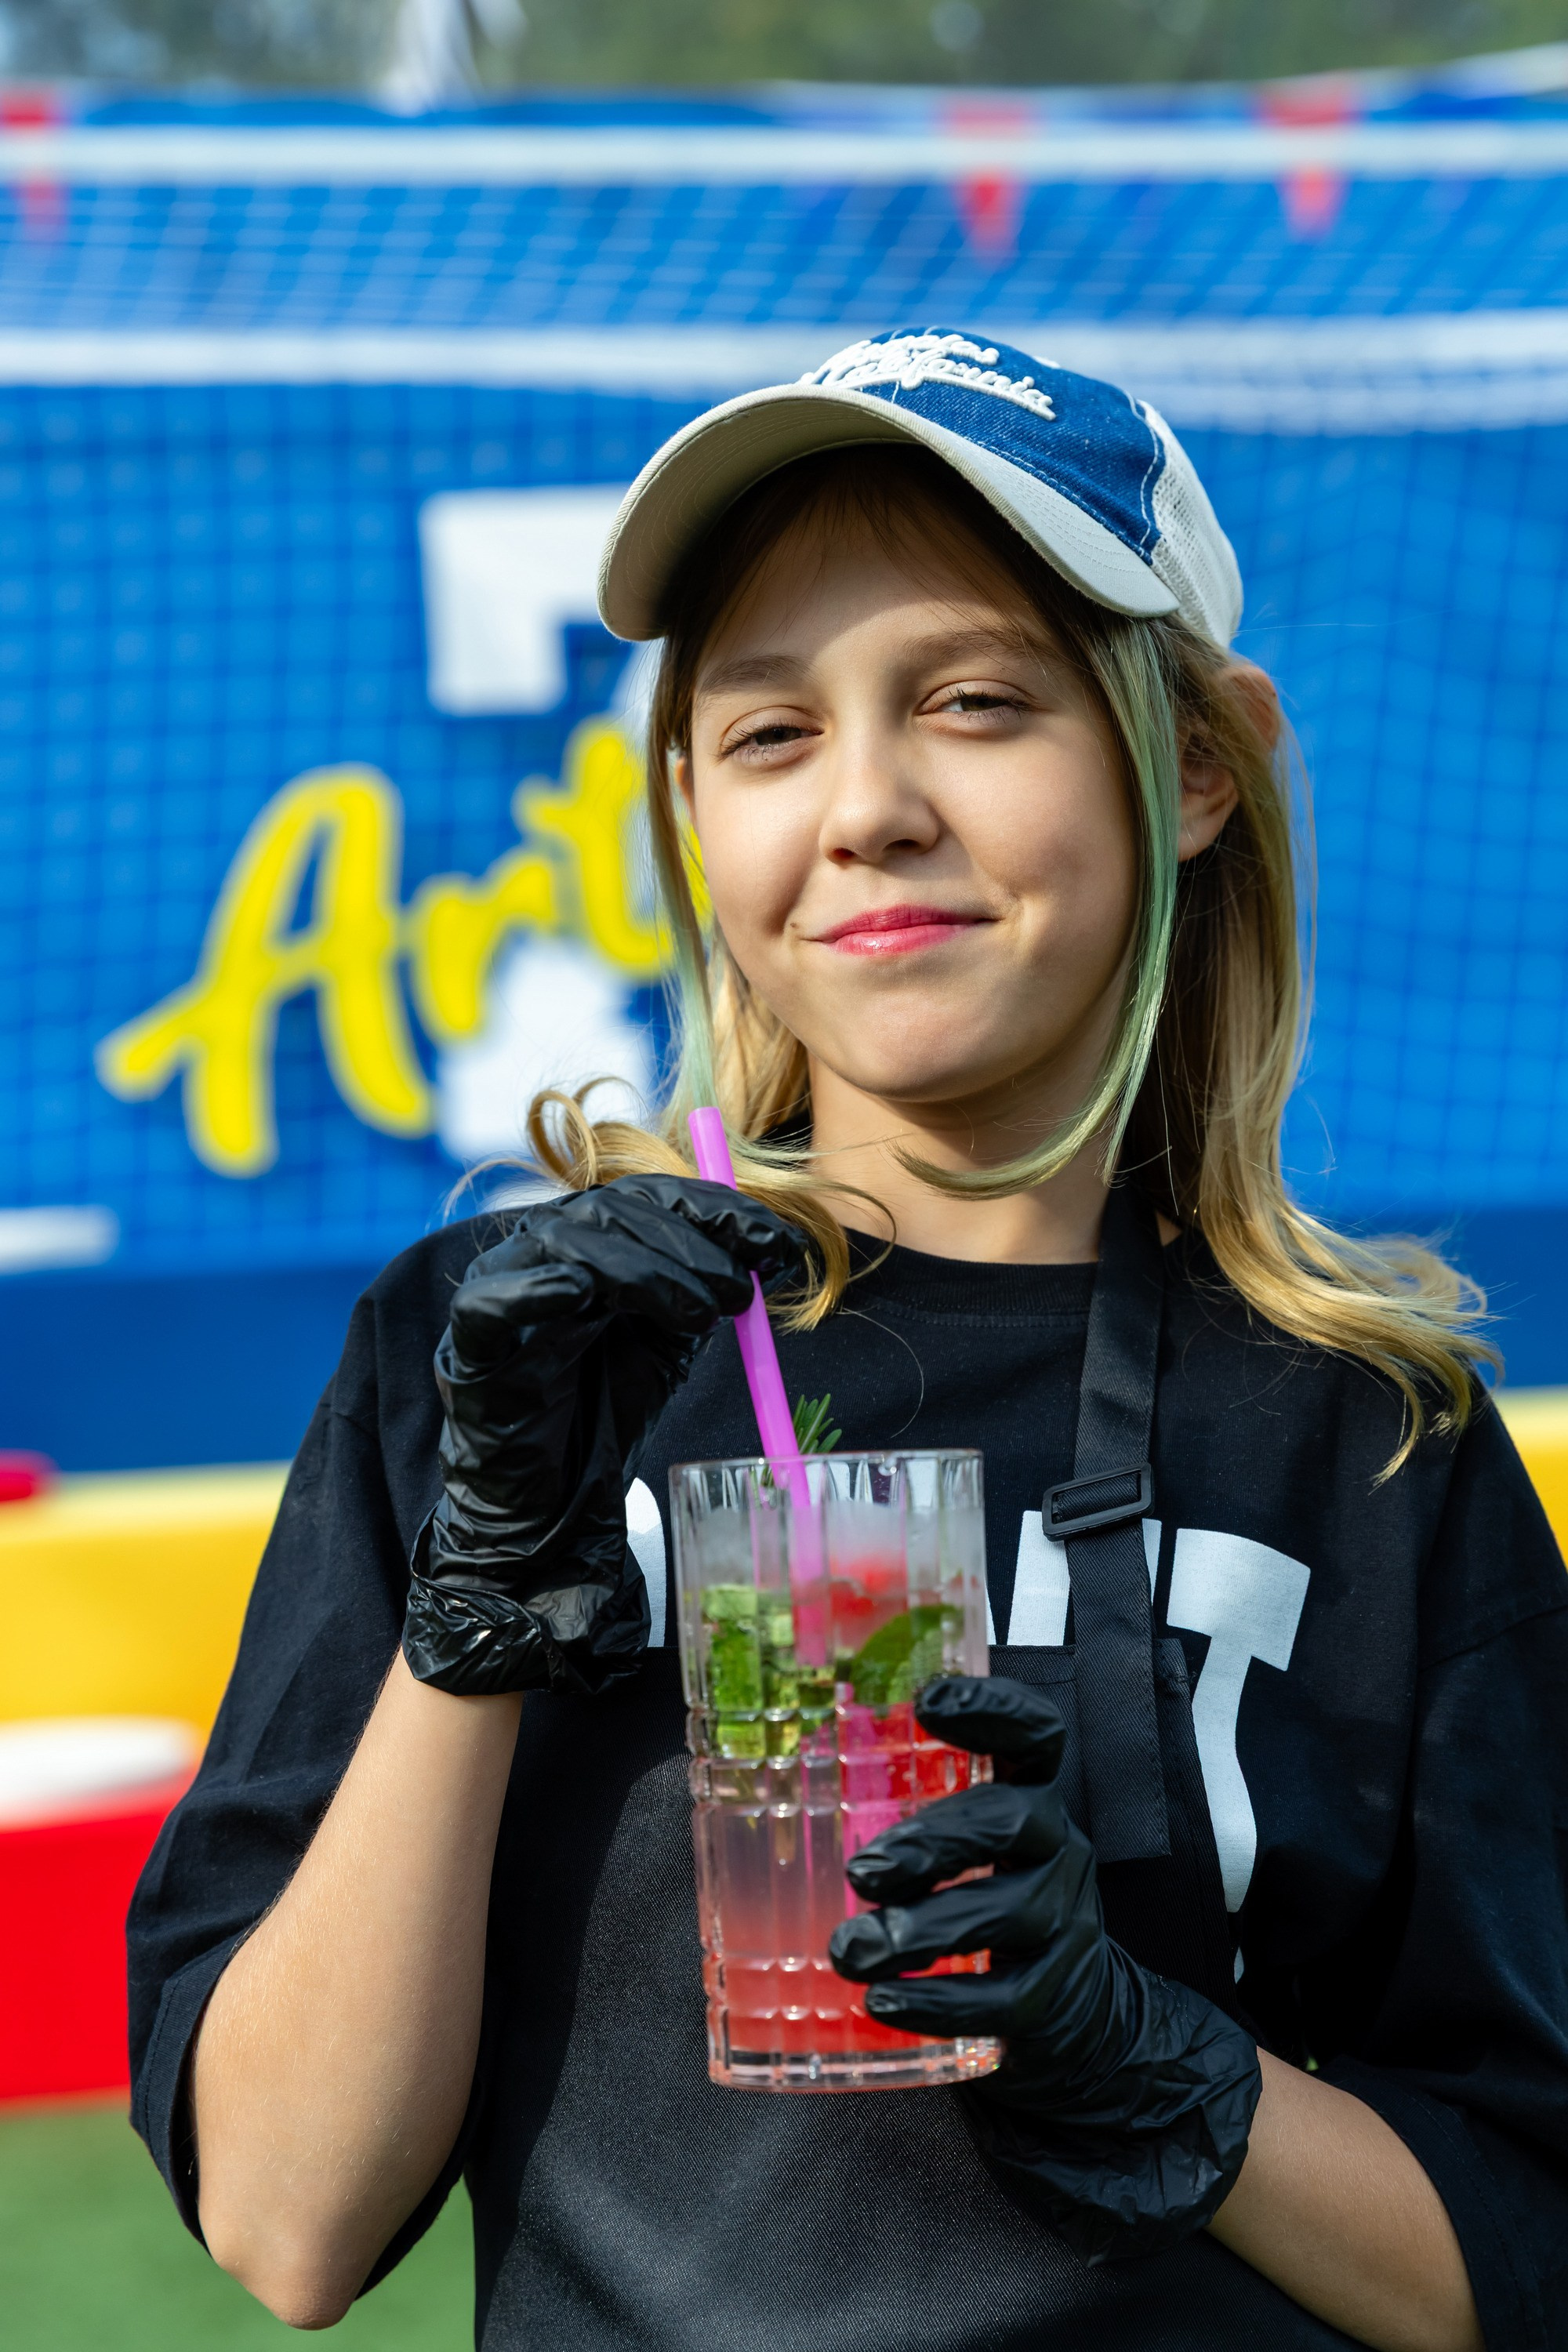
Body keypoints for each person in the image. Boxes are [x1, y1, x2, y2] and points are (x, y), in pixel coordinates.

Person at [128, 329, 1568, 2351]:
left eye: (977, 702)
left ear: (1201, 765)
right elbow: (286, 2224)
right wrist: (474, 1624)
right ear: (693, 811)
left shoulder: (1373, 1438)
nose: (872, 806)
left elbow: (1518, 2260)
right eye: (771, 731)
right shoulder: (511, 1362)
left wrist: (1172, 2070)